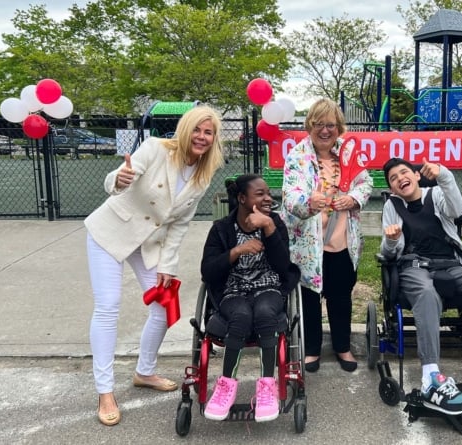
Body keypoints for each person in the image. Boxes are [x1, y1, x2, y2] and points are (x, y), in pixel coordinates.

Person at [84, 106, 224, 426]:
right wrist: (118, 179)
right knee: (108, 306)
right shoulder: (155, 149)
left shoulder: (202, 174)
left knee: (164, 306)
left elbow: (180, 225)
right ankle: (105, 392)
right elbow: (116, 181)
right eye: (198, 130)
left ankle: (144, 372)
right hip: (111, 234)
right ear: (186, 129)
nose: (202, 137)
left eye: (209, 132)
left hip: (149, 245)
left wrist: (167, 265)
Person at [380, 157, 462, 415]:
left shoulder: (438, 194)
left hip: (450, 266)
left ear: (417, 175)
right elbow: (388, 253)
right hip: (414, 269)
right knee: (428, 295)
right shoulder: (392, 206)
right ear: (392, 187)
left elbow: (458, 211)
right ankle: (431, 377)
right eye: (393, 179)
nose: (399, 179)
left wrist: (445, 176)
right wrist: (391, 240)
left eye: (404, 173)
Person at [280, 98, 373, 373]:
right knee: (309, 297)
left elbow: (365, 182)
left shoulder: (348, 152)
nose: (325, 130)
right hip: (308, 243)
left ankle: (342, 347)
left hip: (342, 239)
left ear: (338, 127)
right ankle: (311, 350)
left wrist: (354, 198)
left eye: (330, 125)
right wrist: (309, 202)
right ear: (310, 125)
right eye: (319, 124)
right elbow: (290, 195)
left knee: (341, 295)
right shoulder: (297, 155)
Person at [200, 174, 300, 422]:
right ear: (242, 198)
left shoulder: (274, 222)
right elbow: (208, 271)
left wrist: (268, 227)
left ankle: (267, 385)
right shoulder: (221, 229)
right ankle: (225, 386)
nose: (268, 198)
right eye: (260, 194)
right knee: (241, 315)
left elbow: (282, 265)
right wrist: (236, 251)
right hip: (234, 290)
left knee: (266, 311)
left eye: (268, 193)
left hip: (268, 287)